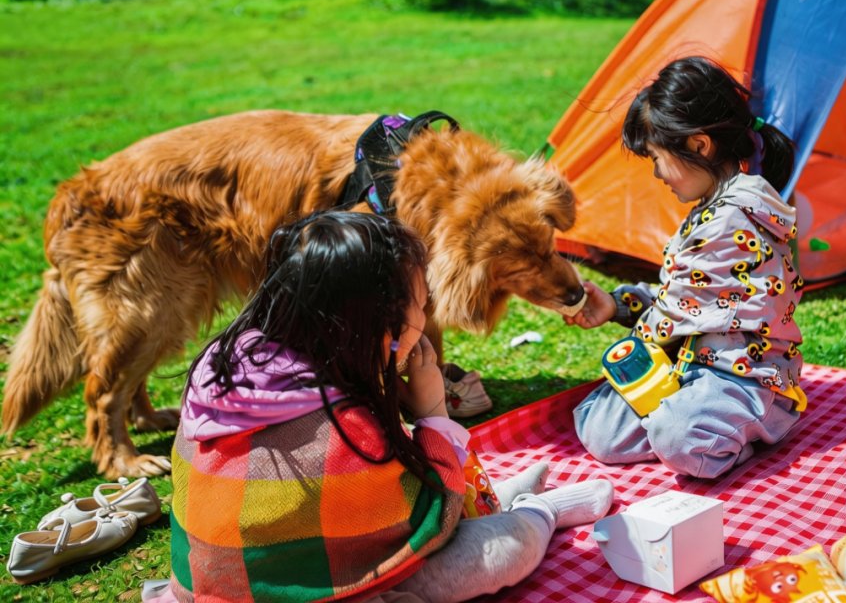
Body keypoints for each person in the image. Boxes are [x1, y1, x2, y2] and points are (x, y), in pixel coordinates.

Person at [148, 211, 612, 603]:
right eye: (421, 306)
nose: (426, 319)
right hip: (324, 587)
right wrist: (433, 413)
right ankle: (540, 512)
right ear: (380, 326)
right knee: (502, 548)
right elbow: (433, 519)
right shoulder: (347, 432)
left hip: (207, 588)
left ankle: (497, 499)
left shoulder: (224, 368)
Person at [566, 56, 808, 480]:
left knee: (678, 437)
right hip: (688, 366)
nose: (657, 173)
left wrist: (630, 325)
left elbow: (676, 310)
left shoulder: (734, 218)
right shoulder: (712, 206)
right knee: (598, 427)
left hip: (743, 378)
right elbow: (683, 297)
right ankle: (697, 425)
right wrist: (618, 305)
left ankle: (752, 426)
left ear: (699, 146)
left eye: (656, 158)